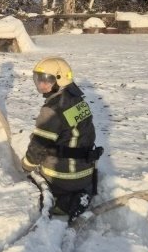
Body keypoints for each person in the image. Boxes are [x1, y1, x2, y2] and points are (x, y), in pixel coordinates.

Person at [21, 57, 103, 220]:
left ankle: (61, 203)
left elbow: (39, 145)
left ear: (60, 79)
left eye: (46, 80)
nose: (41, 85)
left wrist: (26, 165)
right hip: (86, 174)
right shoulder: (78, 101)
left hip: (63, 178)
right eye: (39, 80)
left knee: (32, 174)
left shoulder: (52, 109)